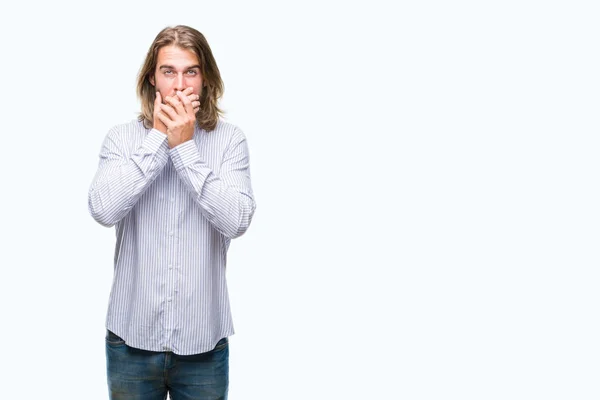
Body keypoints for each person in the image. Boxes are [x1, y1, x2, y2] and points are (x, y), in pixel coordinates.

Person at [88, 25, 256, 399]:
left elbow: (237, 221)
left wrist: (185, 151)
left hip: (204, 347)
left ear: (206, 78)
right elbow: (103, 209)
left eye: (191, 72)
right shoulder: (122, 139)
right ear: (152, 78)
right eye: (169, 72)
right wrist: (159, 140)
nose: (180, 85)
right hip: (130, 340)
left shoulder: (230, 141)